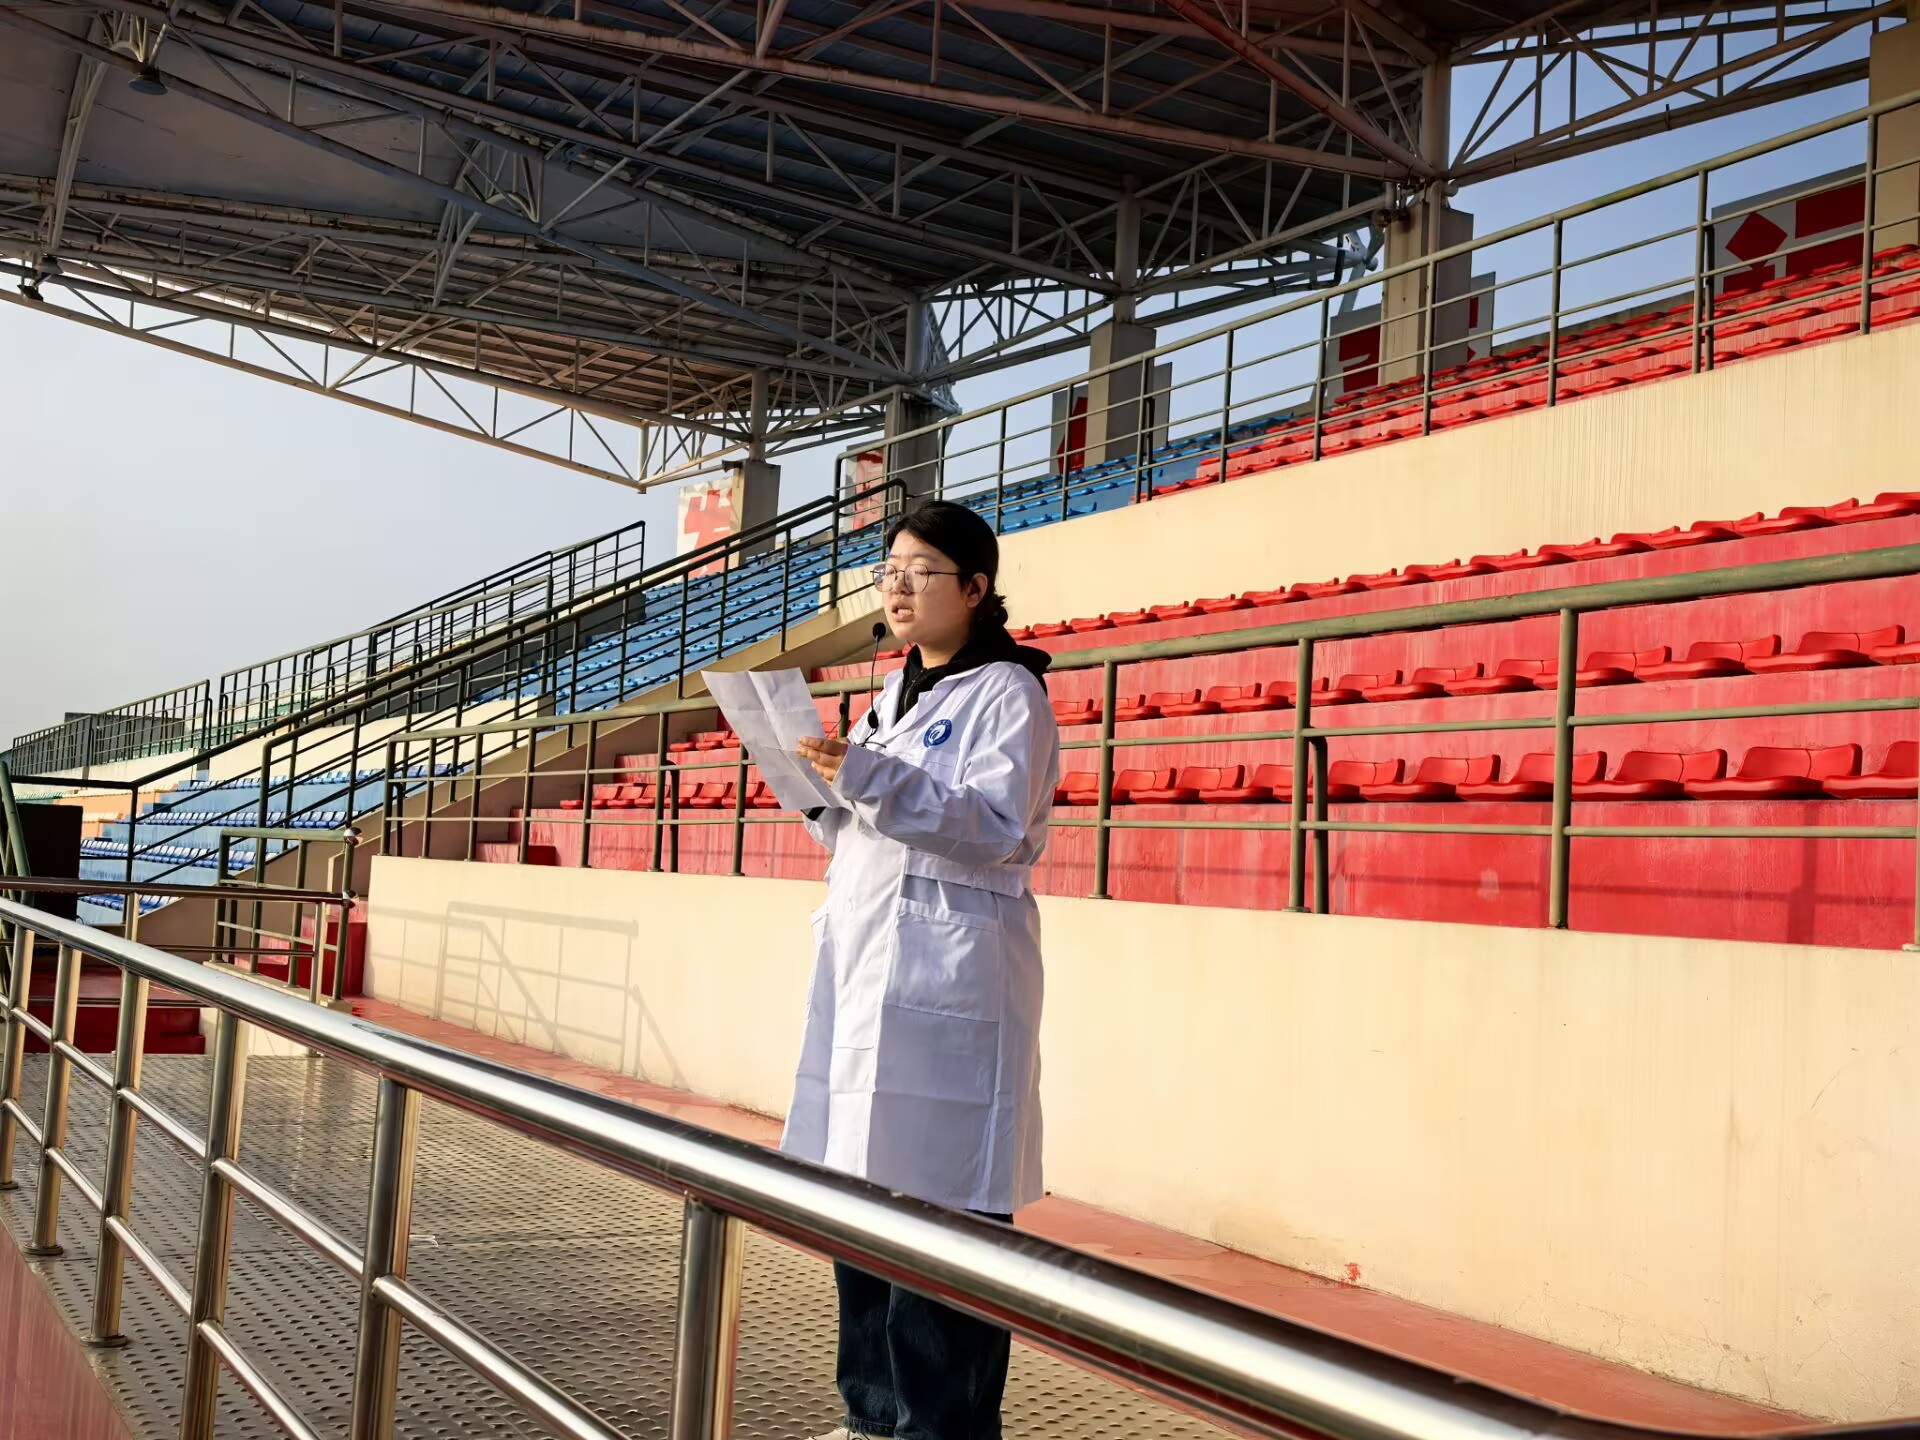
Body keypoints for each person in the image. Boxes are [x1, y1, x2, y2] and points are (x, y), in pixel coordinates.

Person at [784, 499, 1060, 1440]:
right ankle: (870, 1419)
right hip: (869, 971)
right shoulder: (892, 696)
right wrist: (823, 796)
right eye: (888, 571)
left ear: (976, 589)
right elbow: (875, 825)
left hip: (952, 985)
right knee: (862, 1204)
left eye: (920, 572)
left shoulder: (1007, 694)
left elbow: (993, 828)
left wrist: (866, 779)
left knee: (942, 1227)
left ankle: (940, 1432)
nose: (897, 588)